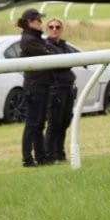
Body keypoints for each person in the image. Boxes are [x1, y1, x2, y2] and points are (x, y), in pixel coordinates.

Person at [18, 7, 53, 167]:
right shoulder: (29, 40)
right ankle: (27, 158)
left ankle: (41, 156)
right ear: (30, 22)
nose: (41, 23)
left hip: (41, 84)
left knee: (39, 123)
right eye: (38, 20)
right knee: (33, 123)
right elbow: (48, 55)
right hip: (35, 86)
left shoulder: (35, 38)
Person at [43, 18, 76, 163]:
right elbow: (61, 64)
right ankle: (49, 155)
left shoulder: (64, 45)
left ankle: (59, 153)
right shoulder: (45, 46)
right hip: (55, 88)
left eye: (57, 27)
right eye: (51, 27)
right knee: (54, 123)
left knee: (65, 122)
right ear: (47, 29)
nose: (54, 29)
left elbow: (71, 61)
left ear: (61, 30)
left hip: (68, 87)